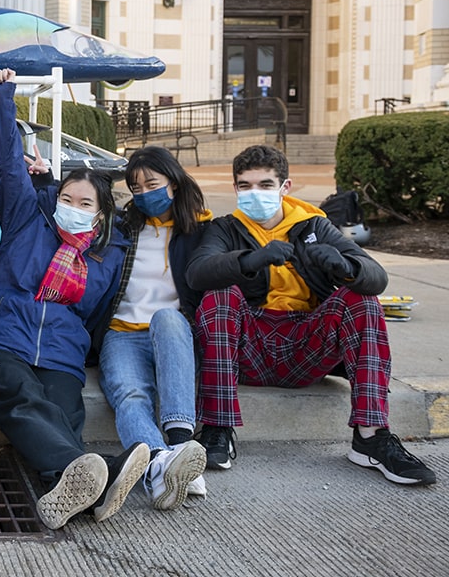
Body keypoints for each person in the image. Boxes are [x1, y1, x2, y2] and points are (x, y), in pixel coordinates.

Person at [186, 144, 436, 486]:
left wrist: (346, 266)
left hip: (304, 346)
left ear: (285, 187)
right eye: (244, 186)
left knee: (361, 299)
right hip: (249, 348)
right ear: (235, 189)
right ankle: (216, 428)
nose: (254, 193)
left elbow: (375, 277)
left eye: (265, 185)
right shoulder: (225, 229)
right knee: (219, 294)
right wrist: (250, 260)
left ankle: (371, 437)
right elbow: (197, 272)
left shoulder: (314, 225)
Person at [0, 68, 144, 531]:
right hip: (2, 338)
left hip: (63, 352)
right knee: (18, 395)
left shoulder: (109, 256)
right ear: (54, 197)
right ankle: (105, 472)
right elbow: (7, 163)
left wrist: (82, 351)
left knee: (65, 412)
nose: (73, 205)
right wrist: (0, 95)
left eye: (85, 202)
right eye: (67, 196)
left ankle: (76, 490)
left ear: (101, 212)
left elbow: (98, 315)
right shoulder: (28, 217)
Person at [90, 146, 210, 511]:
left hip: (169, 334)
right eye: (136, 187)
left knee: (167, 317)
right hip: (121, 332)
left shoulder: (202, 230)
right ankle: (161, 465)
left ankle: (179, 441)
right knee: (130, 395)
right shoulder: (123, 228)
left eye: (151, 184)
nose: (143, 194)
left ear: (173, 182)